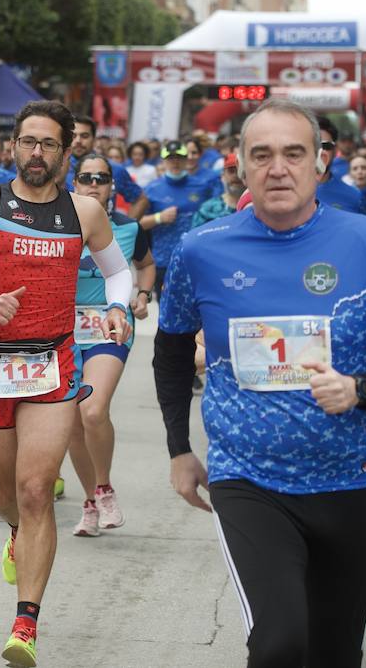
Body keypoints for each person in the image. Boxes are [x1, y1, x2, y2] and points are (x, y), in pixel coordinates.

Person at [153, 99, 366, 668]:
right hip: (249, 478)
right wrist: (180, 449)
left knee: (334, 654)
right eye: (261, 155)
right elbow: (168, 353)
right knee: (280, 642)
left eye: (293, 154)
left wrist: (360, 389)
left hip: (352, 479)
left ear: (320, 165)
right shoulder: (202, 249)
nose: (277, 168)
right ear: (238, 164)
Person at [0, 100, 132, 668]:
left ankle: (25, 623)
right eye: (29, 142)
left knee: (38, 490)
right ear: (14, 145)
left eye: (49, 144)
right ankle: (16, 530)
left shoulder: (83, 212)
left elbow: (117, 270)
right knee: (5, 494)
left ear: (66, 152)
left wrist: (118, 309)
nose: (37, 153)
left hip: (55, 363)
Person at [65, 153, 155, 537]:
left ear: (112, 186)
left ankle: (104, 488)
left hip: (108, 324)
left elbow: (146, 264)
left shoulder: (129, 227)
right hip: (62, 330)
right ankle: (90, 501)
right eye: (86, 177)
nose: (94, 184)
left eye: (102, 178)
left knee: (92, 409)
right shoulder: (56, 224)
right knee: (68, 421)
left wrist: (143, 294)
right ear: (75, 183)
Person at [139, 141, 208, 300]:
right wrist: (159, 217)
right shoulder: (152, 188)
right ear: (163, 161)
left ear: (186, 160)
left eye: (179, 157)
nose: (175, 162)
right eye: (170, 158)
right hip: (164, 260)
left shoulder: (202, 187)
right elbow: (137, 223)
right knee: (166, 308)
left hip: (195, 258)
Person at [314, 118, 366, 215]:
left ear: (335, 151)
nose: (320, 151)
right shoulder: (285, 194)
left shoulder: (354, 197)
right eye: (314, 145)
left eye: (326, 146)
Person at [191, 153, 246, 229]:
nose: (236, 176)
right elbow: (195, 237)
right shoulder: (208, 208)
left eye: (239, 171)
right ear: (222, 176)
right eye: (231, 171)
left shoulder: (257, 207)